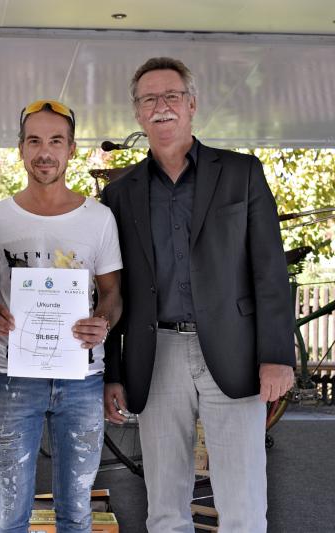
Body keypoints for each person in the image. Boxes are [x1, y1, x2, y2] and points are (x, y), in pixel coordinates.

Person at [101, 57, 295, 532]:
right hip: (156, 354)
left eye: (171, 96)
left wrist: (277, 355)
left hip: (235, 350)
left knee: (243, 503)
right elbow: (111, 289)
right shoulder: (119, 193)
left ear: (192, 104)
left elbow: (270, 271)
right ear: (137, 113)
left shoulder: (242, 172)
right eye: (149, 99)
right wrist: (113, 372)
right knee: (165, 506)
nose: (161, 106)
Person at [0, 100, 123, 532]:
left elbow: (113, 293)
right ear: (20, 148)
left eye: (56, 141)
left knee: (77, 512)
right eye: (35, 141)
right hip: (12, 375)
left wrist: (103, 321)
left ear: (72, 149)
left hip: (82, 379)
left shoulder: (99, 219)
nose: (45, 152)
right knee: (10, 513)